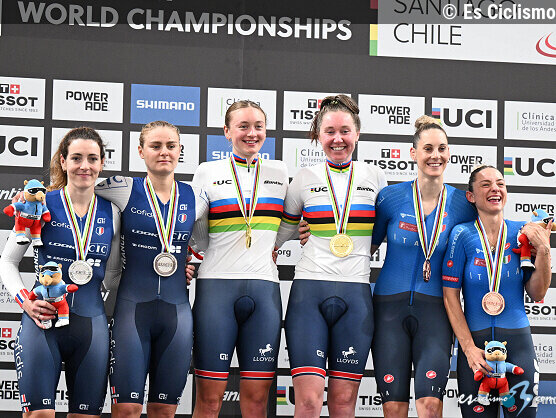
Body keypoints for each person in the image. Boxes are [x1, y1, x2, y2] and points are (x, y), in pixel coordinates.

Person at [275, 95, 387, 417]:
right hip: (309, 292)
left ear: (357, 134)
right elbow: (280, 232)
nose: (338, 139)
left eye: (345, 131)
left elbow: (385, 233)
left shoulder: (376, 177)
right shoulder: (303, 178)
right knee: (308, 402)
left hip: (356, 293)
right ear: (318, 135)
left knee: (343, 404)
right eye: (330, 132)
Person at [0, 127, 121, 416]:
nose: (84, 166)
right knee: (40, 414)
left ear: (102, 163)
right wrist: (25, 301)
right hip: (42, 324)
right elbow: (7, 261)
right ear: (63, 162)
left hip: (91, 327)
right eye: (76, 158)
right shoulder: (39, 204)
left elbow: (114, 274)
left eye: (92, 158)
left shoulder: (113, 212)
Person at [95, 121, 207, 418]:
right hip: (132, 311)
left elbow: (204, 243)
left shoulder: (197, 197)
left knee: (163, 411)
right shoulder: (122, 188)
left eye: (171, 146)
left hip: (176, 314)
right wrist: (34, 198)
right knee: (127, 409)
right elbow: (77, 189)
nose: (164, 152)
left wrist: (189, 262)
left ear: (180, 150)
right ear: (141, 151)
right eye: (155, 146)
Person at [369, 116, 477, 418]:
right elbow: (361, 248)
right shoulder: (390, 198)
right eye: (428, 148)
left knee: (430, 407)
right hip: (388, 310)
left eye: (442, 148)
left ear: (449, 153)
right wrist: (313, 233)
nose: (435, 155)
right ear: (413, 153)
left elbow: (492, 232)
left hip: (436, 313)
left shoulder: (464, 204)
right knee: (393, 408)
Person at [191, 100, 288, 418]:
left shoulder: (279, 172)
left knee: (258, 401)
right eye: (243, 126)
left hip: (264, 289)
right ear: (227, 131)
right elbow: (193, 226)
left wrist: (280, 241)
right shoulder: (208, 171)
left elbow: (293, 219)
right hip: (216, 289)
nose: (252, 133)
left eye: (258, 126)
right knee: (209, 400)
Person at [443, 165, 552, 417]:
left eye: (500, 184)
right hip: (475, 350)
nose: (495, 189)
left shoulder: (522, 233)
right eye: (486, 184)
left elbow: (537, 294)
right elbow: (450, 297)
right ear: (471, 196)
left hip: (519, 345)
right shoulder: (462, 234)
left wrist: (544, 251)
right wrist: (468, 348)